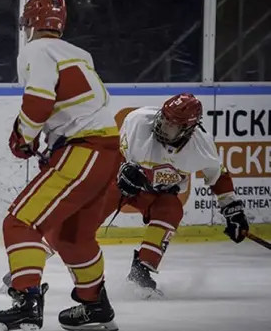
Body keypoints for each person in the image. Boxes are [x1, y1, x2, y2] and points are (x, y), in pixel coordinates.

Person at [0, 0, 121, 331]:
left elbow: (40, 101)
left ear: (30, 23)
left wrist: (23, 137)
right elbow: (83, 104)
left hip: (84, 150)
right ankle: (94, 305)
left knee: (20, 222)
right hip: (104, 153)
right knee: (71, 237)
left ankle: (26, 308)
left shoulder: (35, 50)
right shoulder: (79, 53)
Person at [100, 93, 249, 298]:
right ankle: (48, 248)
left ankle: (141, 271)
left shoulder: (201, 147)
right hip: (119, 185)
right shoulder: (138, 120)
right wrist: (120, 170)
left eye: (172, 125)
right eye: (163, 119)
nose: (162, 126)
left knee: (171, 209)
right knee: (84, 217)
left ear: (188, 129)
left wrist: (233, 211)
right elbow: (112, 152)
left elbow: (218, 177)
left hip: (156, 195)